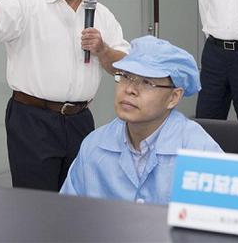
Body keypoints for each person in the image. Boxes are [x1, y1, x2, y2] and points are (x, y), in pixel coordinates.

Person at [0, 0, 130, 191]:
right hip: (32, 120)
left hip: (80, 120)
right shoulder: (25, 4)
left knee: (78, 197)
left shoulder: (101, 14)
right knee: (35, 203)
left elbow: (123, 67)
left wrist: (103, 50)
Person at [60, 36, 222, 204]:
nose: (130, 89)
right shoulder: (94, 146)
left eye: (147, 82)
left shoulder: (199, 151)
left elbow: (223, 221)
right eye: (125, 76)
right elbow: (68, 216)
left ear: (173, 97)